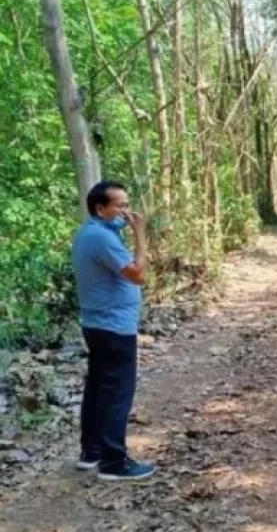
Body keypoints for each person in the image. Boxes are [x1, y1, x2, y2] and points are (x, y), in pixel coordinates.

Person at [71, 180, 155, 481]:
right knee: (117, 393)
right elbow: (138, 274)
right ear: (100, 209)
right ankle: (113, 463)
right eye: (120, 206)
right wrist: (141, 236)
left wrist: (126, 227)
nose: (126, 212)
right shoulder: (102, 238)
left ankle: (91, 452)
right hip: (113, 327)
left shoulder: (92, 232)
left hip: (98, 324)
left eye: (126, 205)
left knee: (97, 389)